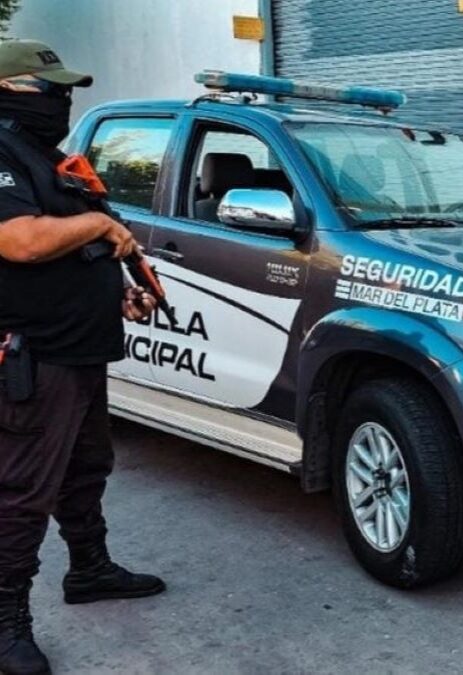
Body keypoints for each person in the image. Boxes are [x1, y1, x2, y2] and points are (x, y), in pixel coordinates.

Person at [0, 40, 165, 674]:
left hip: (81, 348)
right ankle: (6, 622)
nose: (64, 100)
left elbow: (71, 246)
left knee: (85, 467)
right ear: (10, 89)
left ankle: (89, 569)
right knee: (21, 490)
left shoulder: (49, 158)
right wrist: (99, 228)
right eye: (51, 89)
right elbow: (19, 241)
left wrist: (121, 293)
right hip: (34, 356)